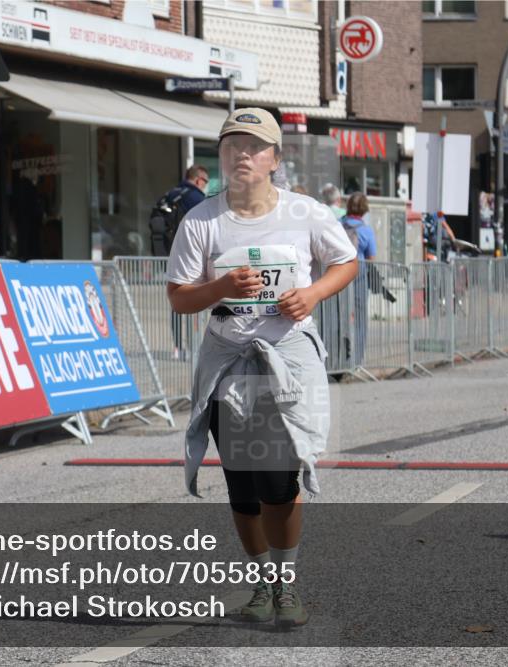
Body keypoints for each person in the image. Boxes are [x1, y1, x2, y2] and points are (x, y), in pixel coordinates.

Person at [166, 108, 358, 628]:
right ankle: (260, 584)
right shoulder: (201, 219)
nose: (242, 154)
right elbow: (180, 298)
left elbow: (346, 262)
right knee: (242, 486)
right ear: (221, 156)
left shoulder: (306, 213)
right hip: (229, 363)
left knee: (279, 481)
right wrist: (221, 289)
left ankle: (287, 584)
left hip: (285, 361)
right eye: (232, 145)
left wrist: (313, 294)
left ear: (274, 158)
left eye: (254, 146)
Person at [151, 165, 210, 359]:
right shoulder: (194, 197)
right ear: (199, 180)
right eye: (206, 182)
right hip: (188, 258)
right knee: (194, 301)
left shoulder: (171, 194)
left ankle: (178, 348)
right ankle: (193, 348)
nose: (206, 186)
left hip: (167, 256)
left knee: (176, 303)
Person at [341, 193, 377, 367]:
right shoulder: (366, 230)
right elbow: (371, 257)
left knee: (339, 317)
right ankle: (357, 360)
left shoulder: (339, 225)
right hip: (359, 276)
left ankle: (339, 357)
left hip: (338, 277)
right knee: (361, 319)